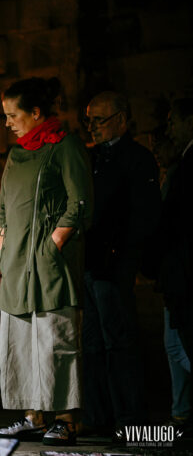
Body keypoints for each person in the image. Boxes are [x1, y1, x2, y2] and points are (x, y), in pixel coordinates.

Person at [0, 77, 93, 445]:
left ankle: (65, 419)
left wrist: (54, 241)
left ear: (35, 113)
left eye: (12, 115)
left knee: (55, 341)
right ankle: (32, 416)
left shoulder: (65, 146)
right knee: (20, 343)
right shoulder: (16, 154)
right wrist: (3, 238)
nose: (7, 123)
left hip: (50, 265)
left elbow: (79, 201)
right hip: (17, 265)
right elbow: (3, 204)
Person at [81, 91, 161, 434]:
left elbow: (143, 216)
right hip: (90, 263)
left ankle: (129, 418)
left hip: (112, 265)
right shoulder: (92, 158)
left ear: (120, 120)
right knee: (95, 344)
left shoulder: (137, 159)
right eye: (89, 120)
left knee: (117, 341)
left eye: (99, 120)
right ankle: (100, 418)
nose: (92, 127)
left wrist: (124, 258)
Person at [151, 98, 193, 433]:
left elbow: (170, 225)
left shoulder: (182, 171)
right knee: (176, 343)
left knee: (177, 343)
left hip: (179, 273)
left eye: (173, 123)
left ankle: (182, 411)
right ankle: (181, 411)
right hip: (174, 273)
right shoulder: (175, 173)